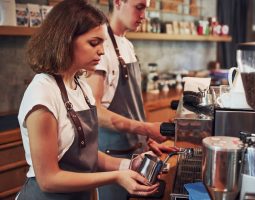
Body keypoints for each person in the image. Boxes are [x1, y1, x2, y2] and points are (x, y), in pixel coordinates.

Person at [16, 0, 159, 199]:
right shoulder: (42, 94)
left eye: (102, 42)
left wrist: (128, 165)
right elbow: (48, 179)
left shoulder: (81, 86)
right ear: (65, 40)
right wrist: (116, 177)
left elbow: (87, 155)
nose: (101, 50)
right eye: (94, 43)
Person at [86, 0, 178, 199]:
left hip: (136, 153)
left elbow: (130, 106)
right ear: (118, 2)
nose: (144, 15)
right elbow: (95, 111)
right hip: (113, 158)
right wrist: (146, 128)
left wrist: (146, 140)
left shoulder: (126, 44)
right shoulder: (101, 45)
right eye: (140, 6)